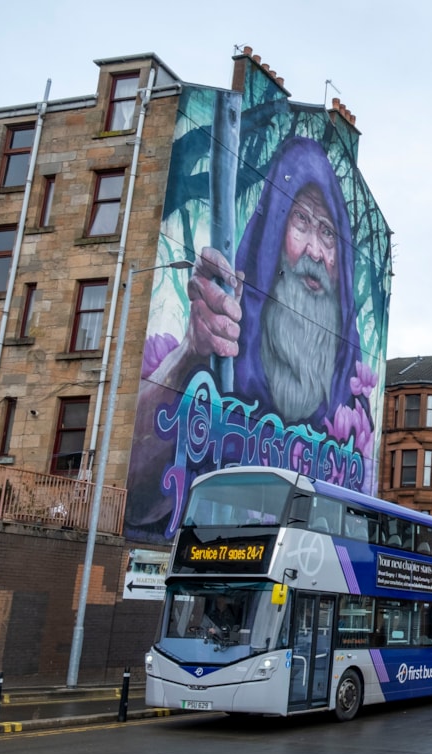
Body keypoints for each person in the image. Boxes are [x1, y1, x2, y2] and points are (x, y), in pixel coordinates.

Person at [127, 137, 369, 536]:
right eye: (302, 222)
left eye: (328, 233)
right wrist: (191, 353)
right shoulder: (217, 347)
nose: (315, 250)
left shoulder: (354, 393)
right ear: (274, 229)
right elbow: (135, 496)